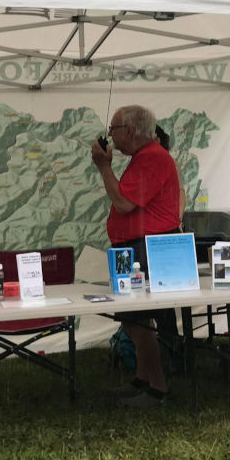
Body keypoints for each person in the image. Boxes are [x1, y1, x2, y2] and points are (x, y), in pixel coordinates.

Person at [92, 105, 181, 408]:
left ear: (129, 131)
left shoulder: (152, 158)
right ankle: (144, 380)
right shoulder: (144, 158)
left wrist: (103, 166)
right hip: (134, 246)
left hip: (146, 246)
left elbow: (125, 203)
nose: (109, 135)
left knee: (140, 321)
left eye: (113, 129)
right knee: (132, 320)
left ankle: (157, 389)